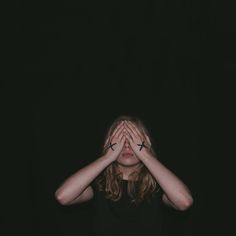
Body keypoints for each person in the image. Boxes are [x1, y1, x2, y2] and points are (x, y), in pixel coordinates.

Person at [55, 115, 194, 236]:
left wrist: (145, 154)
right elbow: (63, 196)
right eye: (121, 140)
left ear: (146, 143)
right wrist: (107, 157)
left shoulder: (158, 184)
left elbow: (184, 202)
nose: (127, 146)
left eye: (133, 140)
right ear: (109, 144)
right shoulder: (99, 183)